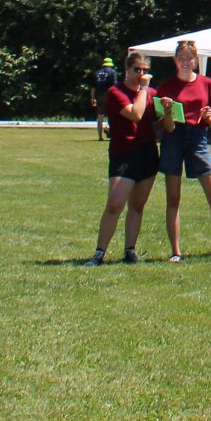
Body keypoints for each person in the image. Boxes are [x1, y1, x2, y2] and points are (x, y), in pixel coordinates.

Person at [151, 40, 211, 263]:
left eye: (190, 58)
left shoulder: (207, 84)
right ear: (175, 60)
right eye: (181, 58)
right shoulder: (166, 87)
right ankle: (176, 252)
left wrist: (208, 117)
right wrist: (168, 111)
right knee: (173, 198)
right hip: (174, 138)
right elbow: (167, 128)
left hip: (198, 137)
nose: (186, 62)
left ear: (196, 60)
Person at [89, 51, 159, 263]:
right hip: (124, 154)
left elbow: (158, 124)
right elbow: (135, 114)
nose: (141, 74)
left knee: (137, 205)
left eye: (145, 70)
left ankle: (130, 250)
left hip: (147, 153)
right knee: (115, 204)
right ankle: (99, 253)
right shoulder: (116, 92)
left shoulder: (152, 94)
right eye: (137, 69)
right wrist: (144, 89)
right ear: (127, 70)